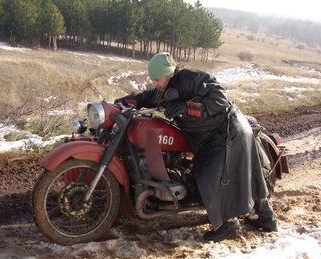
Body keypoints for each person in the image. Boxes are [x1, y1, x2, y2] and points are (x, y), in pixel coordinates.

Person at [115, 52, 277, 242]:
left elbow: (220, 100)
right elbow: (149, 97)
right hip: (209, 135)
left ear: (169, 73)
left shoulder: (192, 78)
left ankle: (227, 223)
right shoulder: (165, 87)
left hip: (226, 130)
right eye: (152, 79)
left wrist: (186, 107)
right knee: (246, 173)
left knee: (208, 174)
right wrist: (127, 101)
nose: (154, 83)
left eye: (157, 79)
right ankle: (267, 218)